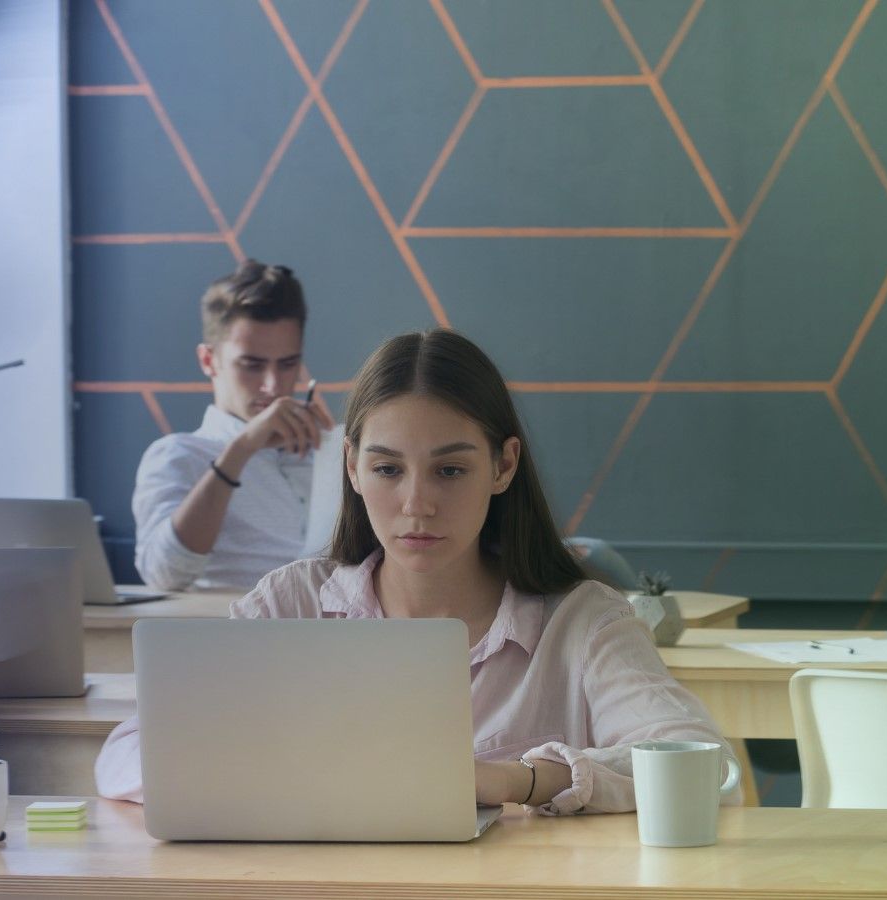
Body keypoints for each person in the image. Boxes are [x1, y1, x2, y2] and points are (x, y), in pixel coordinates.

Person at [98, 329, 736, 813]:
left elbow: (707, 768)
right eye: (387, 469)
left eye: (451, 470)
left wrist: (515, 779)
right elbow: (126, 754)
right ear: (351, 467)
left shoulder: (584, 620)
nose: (416, 503)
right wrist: (277, 770)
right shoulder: (290, 602)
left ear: (503, 467)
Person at [130, 261, 335, 590]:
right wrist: (241, 449)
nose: (272, 384)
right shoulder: (179, 456)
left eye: (287, 364)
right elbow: (164, 575)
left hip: (336, 633)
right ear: (208, 360)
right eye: (252, 365)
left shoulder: (326, 455)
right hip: (233, 635)